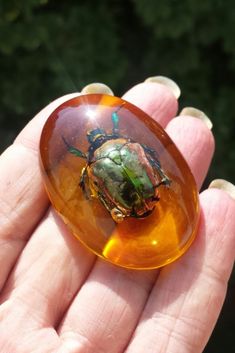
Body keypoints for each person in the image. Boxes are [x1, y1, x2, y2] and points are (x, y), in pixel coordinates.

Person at [0, 79, 234, 353]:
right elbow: (145, 159)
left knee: (97, 176)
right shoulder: (129, 145)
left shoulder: (92, 166)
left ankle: (123, 210)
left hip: (131, 208)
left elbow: (92, 190)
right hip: (151, 195)